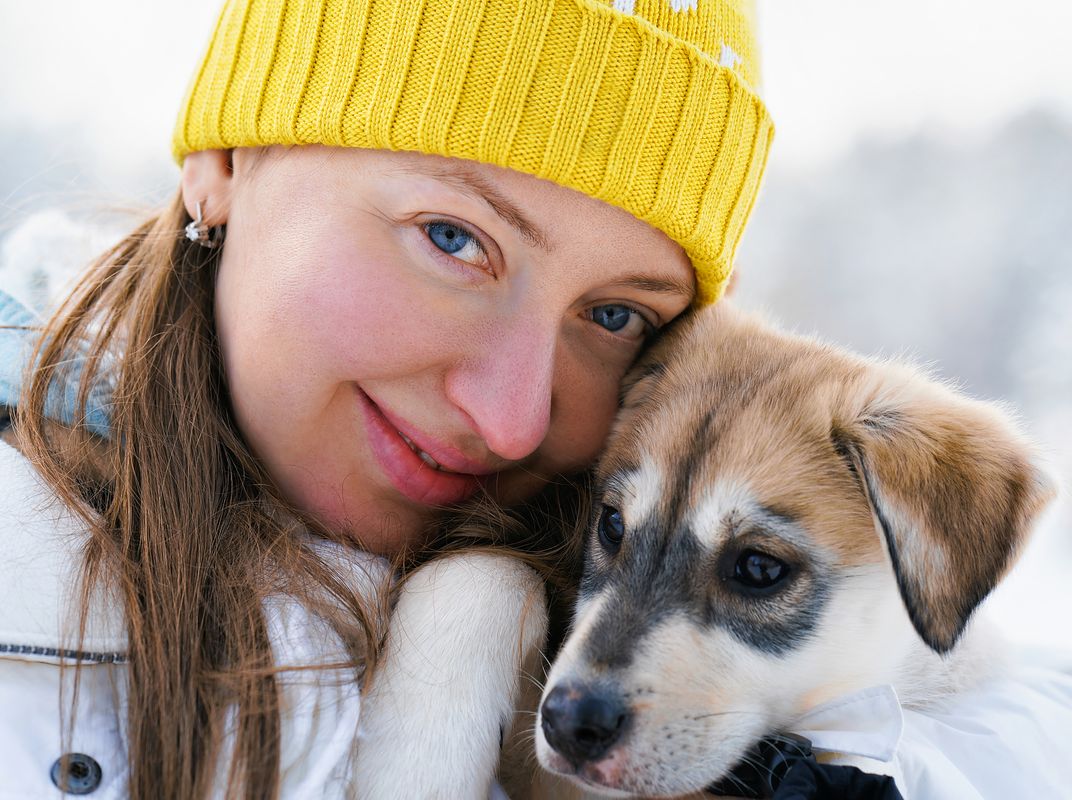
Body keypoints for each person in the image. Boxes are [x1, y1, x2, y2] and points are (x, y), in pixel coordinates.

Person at [0, 0, 771, 798]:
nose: (511, 423)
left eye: (616, 317)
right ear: (226, 161)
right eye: (453, 237)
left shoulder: (668, 702)